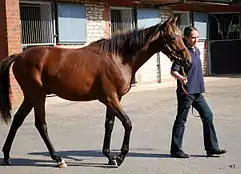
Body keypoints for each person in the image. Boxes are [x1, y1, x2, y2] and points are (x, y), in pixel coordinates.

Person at [169, 26, 226, 158]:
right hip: (186, 92)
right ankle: (176, 150)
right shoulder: (182, 53)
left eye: (197, 37)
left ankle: (211, 148)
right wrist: (181, 78)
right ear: (187, 38)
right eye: (193, 37)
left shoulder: (197, 51)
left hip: (197, 92)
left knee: (208, 116)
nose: (196, 40)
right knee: (181, 120)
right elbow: (173, 71)